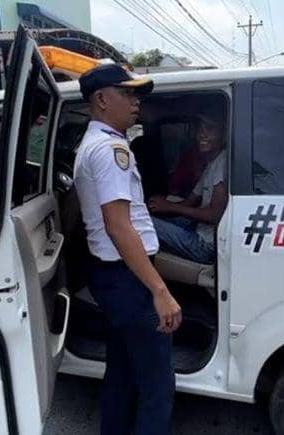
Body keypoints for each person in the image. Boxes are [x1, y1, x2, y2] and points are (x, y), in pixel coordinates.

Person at [74, 63, 182, 435]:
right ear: (102, 100)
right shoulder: (109, 150)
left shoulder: (98, 143)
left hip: (115, 276)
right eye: (128, 93)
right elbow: (118, 226)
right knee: (157, 385)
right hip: (127, 280)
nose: (136, 102)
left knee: (121, 373)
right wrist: (160, 290)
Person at [147, 114, 227, 264]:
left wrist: (168, 206)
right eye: (200, 130)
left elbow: (214, 215)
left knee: (139, 221)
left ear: (223, 134)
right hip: (198, 229)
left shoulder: (223, 164)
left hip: (205, 245)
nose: (202, 134)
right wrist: (161, 206)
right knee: (149, 215)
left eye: (209, 129)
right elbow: (189, 202)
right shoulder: (212, 164)